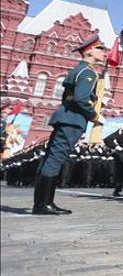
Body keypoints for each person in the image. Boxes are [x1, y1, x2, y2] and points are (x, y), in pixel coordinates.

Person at [32, 34, 107, 215]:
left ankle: (42, 203)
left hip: (65, 117)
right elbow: (81, 99)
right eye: (100, 49)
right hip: (72, 120)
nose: (104, 53)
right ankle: (44, 204)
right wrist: (94, 115)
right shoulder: (88, 72)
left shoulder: (78, 69)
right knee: (55, 159)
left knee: (51, 157)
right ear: (90, 52)